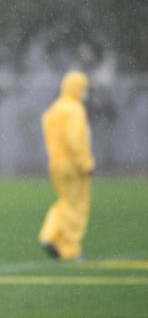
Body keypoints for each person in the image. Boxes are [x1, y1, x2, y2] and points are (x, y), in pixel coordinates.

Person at [39, 70, 95, 261]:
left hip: (56, 163)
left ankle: (49, 235)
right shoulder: (75, 109)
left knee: (64, 201)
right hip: (73, 165)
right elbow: (75, 140)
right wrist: (85, 163)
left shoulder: (54, 109)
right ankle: (70, 249)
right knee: (77, 206)